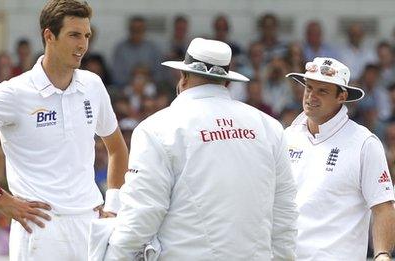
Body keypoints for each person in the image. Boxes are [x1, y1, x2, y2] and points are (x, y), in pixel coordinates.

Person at [0, 0, 128, 260]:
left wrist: (114, 207)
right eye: (74, 35)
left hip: (91, 223)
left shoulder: (93, 85)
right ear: (49, 36)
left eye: (86, 35)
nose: (83, 45)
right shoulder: (13, 92)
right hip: (40, 227)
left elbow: (117, 148)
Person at [104, 38, 297, 260]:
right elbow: (284, 212)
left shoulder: (157, 128)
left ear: (183, 77)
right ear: (226, 82)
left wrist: (115, 256)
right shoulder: (268, 126)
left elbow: (142, 212)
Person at [285, 57, 395, 260]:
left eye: (322, 91)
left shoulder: (364, 143)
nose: (311, 96)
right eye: (309, 88)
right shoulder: (287, 136)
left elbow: (383, 207)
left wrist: (381, 254)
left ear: (341, 97)